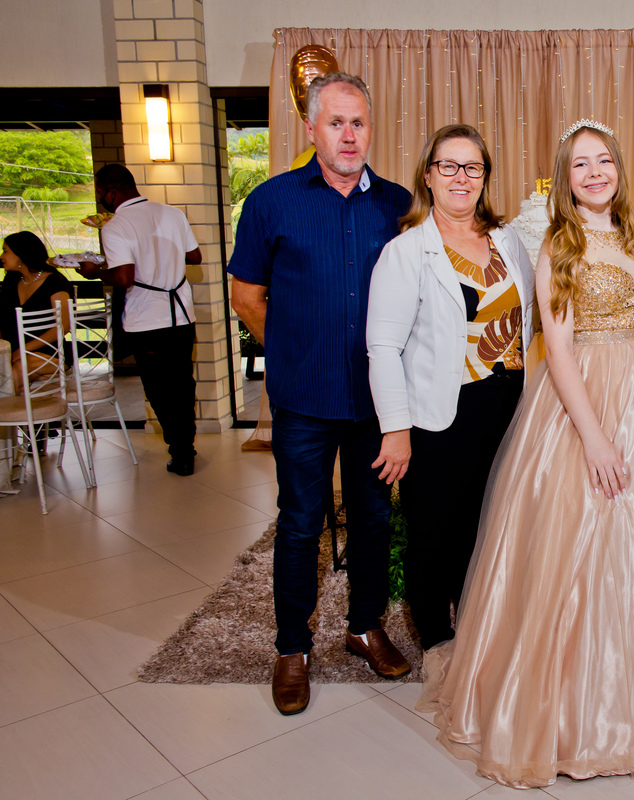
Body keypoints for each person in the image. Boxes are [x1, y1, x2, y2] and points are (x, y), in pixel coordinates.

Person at [417, 120, 634, 788]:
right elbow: (556, 347)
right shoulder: (558, 244)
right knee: (577, 545)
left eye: (604, 160)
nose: (594, 173)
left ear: (618, 170)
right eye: (580, 164)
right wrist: (595, 436)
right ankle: (574, 712)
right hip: (581, 402)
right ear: (565, 177)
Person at [228, 72, 413, 716]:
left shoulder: (398, 205)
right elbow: (245, 296)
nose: (349, 135)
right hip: (303, 399)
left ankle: (364, 627)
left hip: (376, 403)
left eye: (358, 122)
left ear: (371, 128)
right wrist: (292, 347)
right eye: (336, 123)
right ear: (311, 128)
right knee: (301, 523)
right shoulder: (271, 201)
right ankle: (292, 648)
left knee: (373, 518)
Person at [366, 123, 535, 650]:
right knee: (435, 533)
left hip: (507, 408)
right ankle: (439, 643)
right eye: (449, 166)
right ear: (428, 175)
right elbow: (383, 348)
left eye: (473, 167)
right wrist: (395, 429)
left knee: (487, 527)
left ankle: (480, 628)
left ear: (485, 177)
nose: (461, 177)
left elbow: (531, 321)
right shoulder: (406, 251)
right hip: (441, 415)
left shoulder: (509, 241)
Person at [76, 165, 201, 474]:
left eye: (99, 193)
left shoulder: (116, 226)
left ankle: (181, 453)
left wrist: (95, 272)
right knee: (182, 384)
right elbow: (194, 256)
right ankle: (186, 445)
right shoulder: (173, 214)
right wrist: (161, 255)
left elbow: (123, 277)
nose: (100, 199)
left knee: (159, 389)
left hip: (147, 320)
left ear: (111, 192)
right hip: (182, 315)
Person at [1, 231, 71, 393]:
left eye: (5, 251)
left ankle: (15, 409)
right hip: (13, 351)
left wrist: (22, 350)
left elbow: (63, 326)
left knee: (14, 373)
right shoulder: (11, 282)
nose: (2, 256)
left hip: (49, 352)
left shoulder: (54, 282)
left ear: (20, 254)